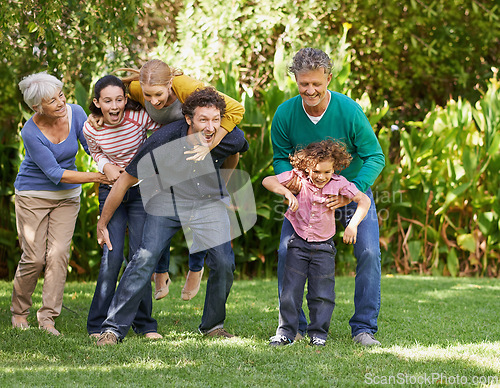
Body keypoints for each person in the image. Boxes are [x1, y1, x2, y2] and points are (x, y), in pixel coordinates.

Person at [94, 87, 249, 345]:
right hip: (167, 201)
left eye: (215, 120)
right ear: (188, 119)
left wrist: (224, 186)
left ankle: (213, 325)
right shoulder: (162, 142)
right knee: (144, 257)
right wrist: (102, 222)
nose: (210, 127)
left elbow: (235, 152)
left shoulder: (228, 137)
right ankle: (113, 329)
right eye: (203, 120)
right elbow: (123, 183)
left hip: (207, 202)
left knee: (223, 261)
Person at [271, 48, 386, 346]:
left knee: (369, 253)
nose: (310, 90)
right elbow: (280, 159)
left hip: (350, 191)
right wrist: (292, 184)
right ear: (295, 80)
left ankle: (363, 329)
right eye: (303, 83)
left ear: (329, 79)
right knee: (286, 253)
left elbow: (375, 156)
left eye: (316, 84)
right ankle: (293, 327)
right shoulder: (284, 114)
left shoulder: (349, 111)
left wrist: (354, 190)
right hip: (306, 195)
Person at [11, 72, 110, 336]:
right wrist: (99, 176)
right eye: (51, 101)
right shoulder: (31, 132)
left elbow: (91, 147)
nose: (59, 103)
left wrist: (108, 160)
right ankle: (19, 312)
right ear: (36, 107)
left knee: (57, 255)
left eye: (61, 96)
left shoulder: (75, 113)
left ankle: (47, 318)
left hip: (66, 198)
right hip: (33, 195)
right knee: (33, 258)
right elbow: (55, 174)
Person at [263, 140, 371, 346]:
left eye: (327, 172)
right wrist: (286, 192)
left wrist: (352, 226)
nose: (321, 177)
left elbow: (364, 200)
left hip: (324, 248)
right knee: (291, 291)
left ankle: (318, 335)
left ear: (334, 168)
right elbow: (267, 181)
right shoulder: (298, 178)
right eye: (316, 171)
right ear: (307, 167)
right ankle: (286, 333)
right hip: (298, 243)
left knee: (322, 294)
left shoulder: (339, 183)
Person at [83, 75, 163, 339]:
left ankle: (145, 324)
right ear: (97, 103)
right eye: (107, 101)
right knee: (112, 256)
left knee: (140, 257)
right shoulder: (91, 128)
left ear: (126, 100)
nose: (114, 106)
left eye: (119, 99)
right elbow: (95, 152)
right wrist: (105, 165)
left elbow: (164, 125)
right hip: (111, 192)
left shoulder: (139, 118)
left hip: (141, 191)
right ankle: (97, 323)